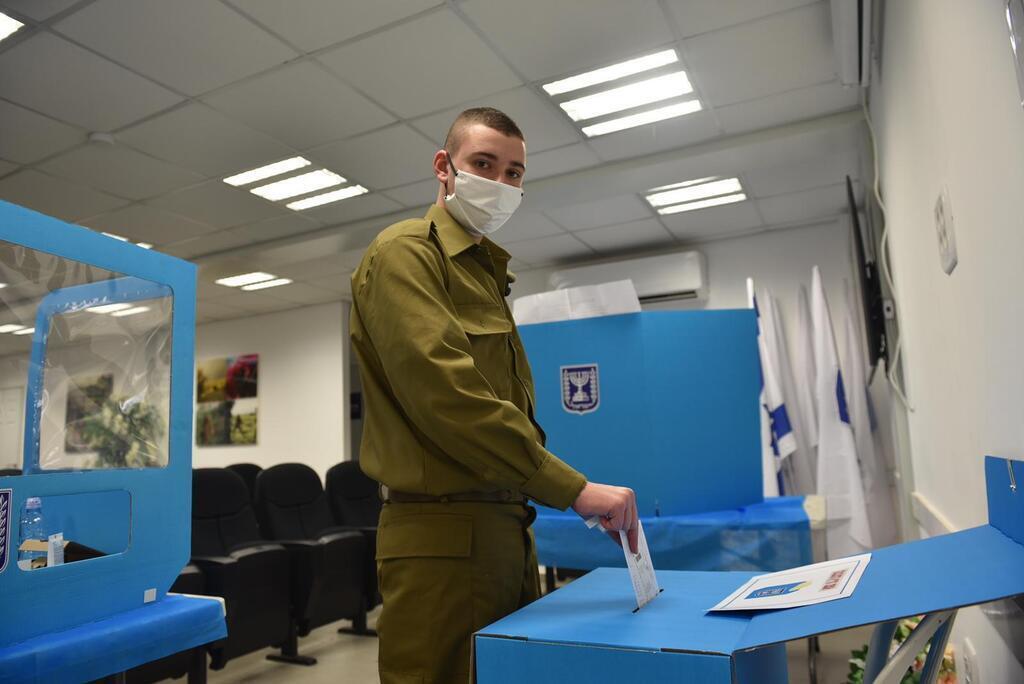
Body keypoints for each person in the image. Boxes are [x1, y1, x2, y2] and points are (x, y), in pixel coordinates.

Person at [350, 107, 638, 684]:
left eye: (514, 173)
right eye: (484, 164)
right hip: (441, 538)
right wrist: (575, 489)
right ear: (444, 166)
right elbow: (449, 399)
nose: (501, 183)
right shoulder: (407, 253)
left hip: (504, 528)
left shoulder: (485, 274)